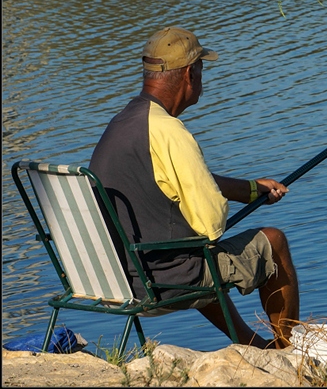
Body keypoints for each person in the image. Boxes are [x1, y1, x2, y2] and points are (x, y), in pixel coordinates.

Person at [89, 26, 299, 349]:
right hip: (162, 282)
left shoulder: (122, 123)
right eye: (201, 68)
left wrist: (250, 190)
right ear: (189, 74)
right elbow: (212, 225)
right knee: (273, 243)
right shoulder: (171, 132)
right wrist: (210, 206)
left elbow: (171, 180)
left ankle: (255, 347)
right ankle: (288, 351)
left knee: (196, 256)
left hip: (113, 281)